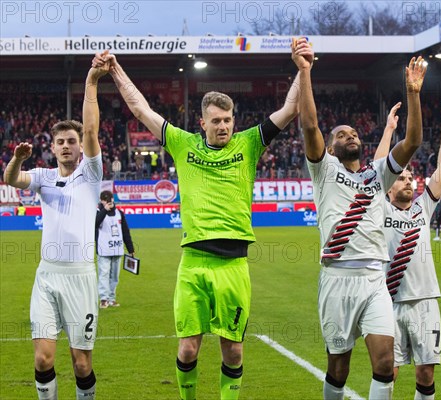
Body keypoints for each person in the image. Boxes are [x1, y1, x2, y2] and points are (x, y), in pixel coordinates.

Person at [92, 48, 301, 400]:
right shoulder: (182, 143)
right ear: (202, 123)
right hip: (193, 263)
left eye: (228, 120)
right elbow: (141, 109)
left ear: (234, 121)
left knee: (232, 350)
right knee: (188, 349)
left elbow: (290, 108)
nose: (223, 126)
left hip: (234, 265)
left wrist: (303, 69)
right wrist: (116, 71)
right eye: (216, 120)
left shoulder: (248, 144)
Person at [291, 37, 427, 399]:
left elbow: (412, 141)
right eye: (341, 134)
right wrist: (305, 71)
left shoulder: (378, 173)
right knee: (339, 366)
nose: (349, 135)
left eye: (353, 132)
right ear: (331, 146)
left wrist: (413, 94)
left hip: (373, 280)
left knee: (384, 363)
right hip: (337, 280)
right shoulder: (324, 170)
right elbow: (309, 124)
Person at [2, 56, 109, 399]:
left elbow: (91, 128)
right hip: (47, 277)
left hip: (81, 277)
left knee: (81, 363)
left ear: (80, 147)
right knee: (44, 357)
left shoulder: (91, 175)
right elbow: (11, 179)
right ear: (52, 147)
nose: (66, 145)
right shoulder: (43, 178)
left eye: (71, 141)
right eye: (60, 141)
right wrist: (18, 157)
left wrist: (91, 81)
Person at [375, 101, 441, 400]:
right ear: (389, 186)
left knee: (426, 371)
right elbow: (379, 167)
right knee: (387, 370)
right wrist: (389, 130)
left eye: (411, 178)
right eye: (402, 178)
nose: (408, 180)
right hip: (389, 301)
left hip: (425, 301)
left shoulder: (423, 206)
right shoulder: (379, 208)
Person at [95, 190, 135, 308]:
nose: (107, 202)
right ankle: (103, 298)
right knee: (104, 274)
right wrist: (104, 210)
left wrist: (130, 248)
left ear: (112, 199)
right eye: (105, 200)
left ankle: (111, 298)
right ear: (101, 201)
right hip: (104, 250)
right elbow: (95, 224)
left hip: (117, 249)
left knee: (114, 276)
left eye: (109, 199)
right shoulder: (98, 212)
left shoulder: (119, 213)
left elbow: (125, 231)